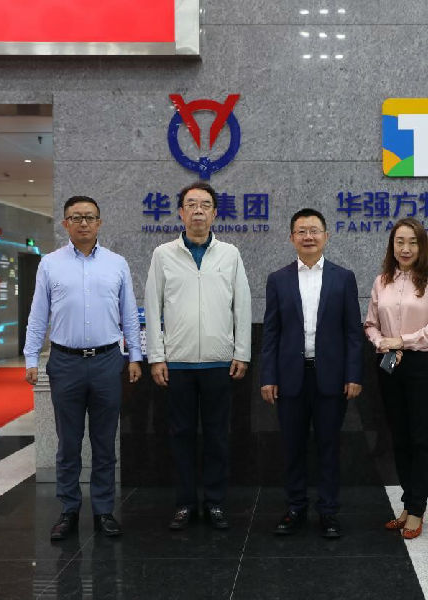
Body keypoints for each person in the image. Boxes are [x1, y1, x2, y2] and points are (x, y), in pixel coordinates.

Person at [24, 195, 142, 541]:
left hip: (107, 360)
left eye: (89, 217)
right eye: (76, 218)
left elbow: (129, 313)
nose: (84, 223)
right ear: (65, 224)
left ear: (99, 223)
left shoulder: (117, 264)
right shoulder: (50, 264)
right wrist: (31, 357)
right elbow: (38, 315)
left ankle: (104, 510)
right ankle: (69, 511)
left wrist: (135, 355)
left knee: (104, 443)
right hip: (65, 362)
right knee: (68, 443)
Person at [144, 181, 252, 531]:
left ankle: (215, 502)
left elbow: (242, 305)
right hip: (177, 363)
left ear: (215, 213)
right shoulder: (163, 254)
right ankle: (185, 503)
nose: (198, 211)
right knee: (181, 436)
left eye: (205, 205)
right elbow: (152, 306)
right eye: (191, 204)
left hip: (220, 363)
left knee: (218, 436)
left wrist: (242, 353)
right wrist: (156, 357)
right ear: (181, 212)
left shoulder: (230, 254)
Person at [260, 208, 363, 539]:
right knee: (293, 447)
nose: (308, 236)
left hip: (331, 377)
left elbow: (353, 332)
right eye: (301, 231)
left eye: (314, 230)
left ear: (326, 236)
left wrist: (353, 374)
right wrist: (268, 376)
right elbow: (271, 333)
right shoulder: (278, 279)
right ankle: (295, 508)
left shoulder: (343, 277)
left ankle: (328, 511)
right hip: (291, 377)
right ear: (291, 237)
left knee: (329, 446)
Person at [364, 218, 428, 540]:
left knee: (420, 438)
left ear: (421, 245)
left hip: (422, 363)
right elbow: (371, 324)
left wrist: (402, 340)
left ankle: (417, 509)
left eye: (412, 242)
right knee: (399, 437)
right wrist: (382, 342)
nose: (406, 248)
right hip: (389, 363)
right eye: (400, 242)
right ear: (392, 245)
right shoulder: (382, 281)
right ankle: (408, 503)